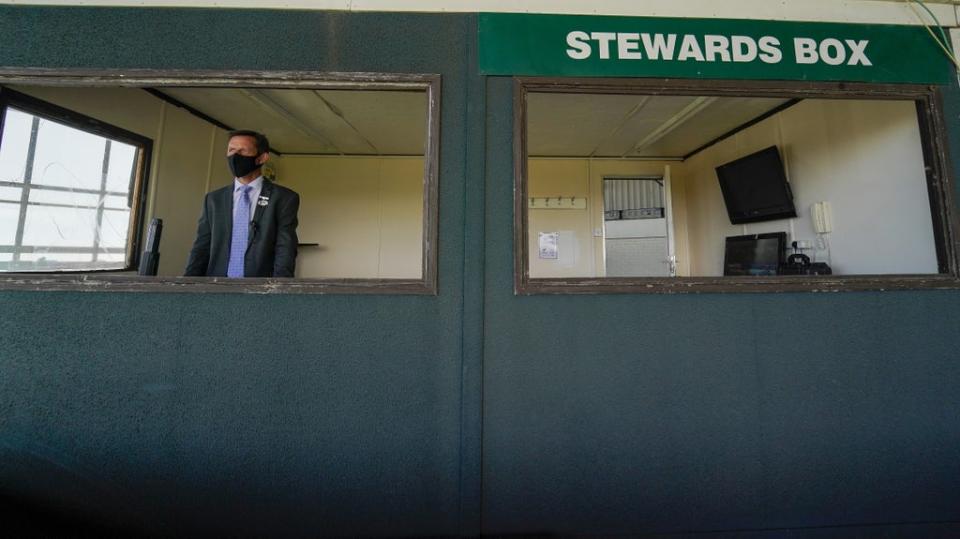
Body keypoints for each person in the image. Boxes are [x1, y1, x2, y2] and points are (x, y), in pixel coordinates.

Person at [185, 130, 300, 278]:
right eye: (231, 150)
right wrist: (188, 285)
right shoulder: (214, 200)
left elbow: (286, 247)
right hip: (217, 287)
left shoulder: (283, 198)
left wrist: (279, 289)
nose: (235, 156)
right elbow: (201, 245)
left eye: (243, 151)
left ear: (262, 158)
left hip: (260, 289)